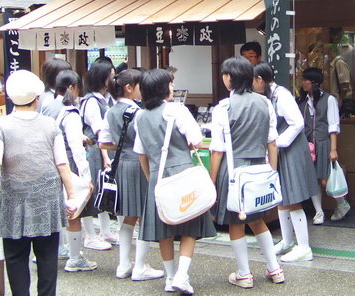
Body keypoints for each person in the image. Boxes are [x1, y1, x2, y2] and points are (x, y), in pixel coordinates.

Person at [0, 70, 79, 296]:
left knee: (15, 258)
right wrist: (71, 196)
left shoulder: (0, 126)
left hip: (13, 200)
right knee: (47, 259)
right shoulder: (50, 125)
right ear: (37, 98)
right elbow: (62, 164)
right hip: (48, 200)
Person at [134, 68, 216, 294]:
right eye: (170, 84)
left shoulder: (140, 117)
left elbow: (141, 154)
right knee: (190, 225)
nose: (172, 88)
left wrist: (151, 179)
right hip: (183, 172)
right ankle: (182, 274)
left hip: (157, 176)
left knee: (164, 227)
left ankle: (170, 277)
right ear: (162, 88)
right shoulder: (177, 110)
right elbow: (197, 141)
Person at [210, 57, 284, 288]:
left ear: (229, 77)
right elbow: (272, 142)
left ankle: (244, 273)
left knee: (236, 222)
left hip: (233, 171)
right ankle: (275, 269)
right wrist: (272, 174)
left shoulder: (223, 107)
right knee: (256, 219)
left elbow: (217, 150)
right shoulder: (265, 103)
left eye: (224, 74)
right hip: (260, 169)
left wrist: (212, 182)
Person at [98, 69, 163, 281]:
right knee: (144, 215)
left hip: (121, 165)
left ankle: (123, 264)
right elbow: (147, 142)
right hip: (139, 165)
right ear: (129, 88)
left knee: (127, 216)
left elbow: (104, 142)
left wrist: (122, 146)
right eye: (139, 85)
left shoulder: (110, 112)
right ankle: (140, 266)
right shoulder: (138, 113)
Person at [253, 63, 319, 262]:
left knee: (293, 198)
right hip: (280, 149)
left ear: (260, 79)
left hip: (291, 149)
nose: (251, 86)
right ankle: (288, 241)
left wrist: (277, 143)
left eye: (252, 81)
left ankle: (304, 247)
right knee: (281, 198)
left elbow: (297, 123)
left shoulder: (281, 95)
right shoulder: (268, 95)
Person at [53, 70, 96, 273]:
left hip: (51, 163)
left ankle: (56, 249)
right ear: (72, 88)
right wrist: (86, 176)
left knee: (57, 209)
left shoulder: (47, 105)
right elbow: (76, 148)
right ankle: (75, 258)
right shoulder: (70, 112)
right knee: (73, 210)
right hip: (68, 163)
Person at [298, 67, 350, 224]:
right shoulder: (302, 101)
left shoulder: (329, 99)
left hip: (323, 143)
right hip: (307, 144)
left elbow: (333, 126)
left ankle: (342, 204)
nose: (302, 83)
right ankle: (319, 212)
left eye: (305, 80)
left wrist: (333, 149)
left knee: (324, 179)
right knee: (311, 179)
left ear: (314, 82)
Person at [79, 60, 117, 250]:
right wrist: (106, 157)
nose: (114, 79)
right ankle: (90, 235)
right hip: (94, 151)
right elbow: (100, 132)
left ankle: (105, 231)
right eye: (111, 75)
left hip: (103, 149)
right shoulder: (91, 102)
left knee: (104, 190)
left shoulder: (106, 98)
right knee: (91, 190)